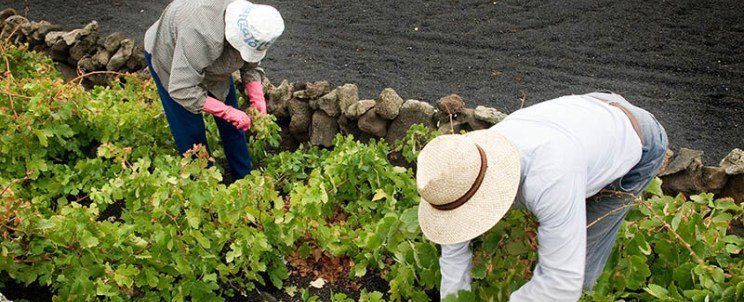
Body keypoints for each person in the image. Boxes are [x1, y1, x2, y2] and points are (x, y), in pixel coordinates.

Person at [416, 92, 668, 301]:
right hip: (584, 118)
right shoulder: (459, 169)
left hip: (639, 138)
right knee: (562, 225)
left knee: (583, 271)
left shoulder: (549, 177)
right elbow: (453, 253)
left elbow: (562, 285)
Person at [143, 0, 284, 178]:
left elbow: (251, 62)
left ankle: (244, 179)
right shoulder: (198, 34)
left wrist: (258, 98)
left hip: (210, 63)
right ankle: (203, 184)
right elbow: (182, 89)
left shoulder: (252, 21)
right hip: (171, 61)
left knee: (234, 126)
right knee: (191, 135)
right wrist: (226, 111)